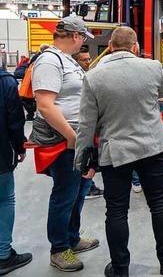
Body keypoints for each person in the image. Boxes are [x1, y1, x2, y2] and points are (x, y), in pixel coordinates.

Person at [75, 27, 163, 277]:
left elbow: (86, 123)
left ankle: (120, 269)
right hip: (153, 147)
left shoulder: (93, 76)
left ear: (110, 46)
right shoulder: (152, 66)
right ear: (135, 47)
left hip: (116, 152)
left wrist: (81, 159)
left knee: (117, 211)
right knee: (158, 204)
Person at [31, 17, 98, 272]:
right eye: (83, 37)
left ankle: (72, 238)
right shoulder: (49, 61)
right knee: (65, 195)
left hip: (78, 137)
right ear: (75, 36)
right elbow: (45, 105)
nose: (83, 43)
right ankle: (59, 248)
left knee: (80, 191)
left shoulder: (66, 60)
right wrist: (71, 136)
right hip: (65, 140)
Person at [0, 67, 32, 275]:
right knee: (4, 200)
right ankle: (3, 255)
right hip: (1, 156)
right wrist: (20, 146)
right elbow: (14, 119)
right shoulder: (5, 81)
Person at [72, 45, 104, 200]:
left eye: (89, 59)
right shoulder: (78, 79)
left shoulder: (88, 76)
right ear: (75, 61)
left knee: (89, 154)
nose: (88, 62)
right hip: (81, 125)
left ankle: (88, 185)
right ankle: (87, 185)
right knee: (85, 154)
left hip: (88, 124)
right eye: (84, 60)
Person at [21, 44, 50, 121]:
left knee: (27, 99)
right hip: (32, 83)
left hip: (29, 83)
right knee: (30, 100)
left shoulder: (36, 57)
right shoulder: (41, 58)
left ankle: (31, 114)